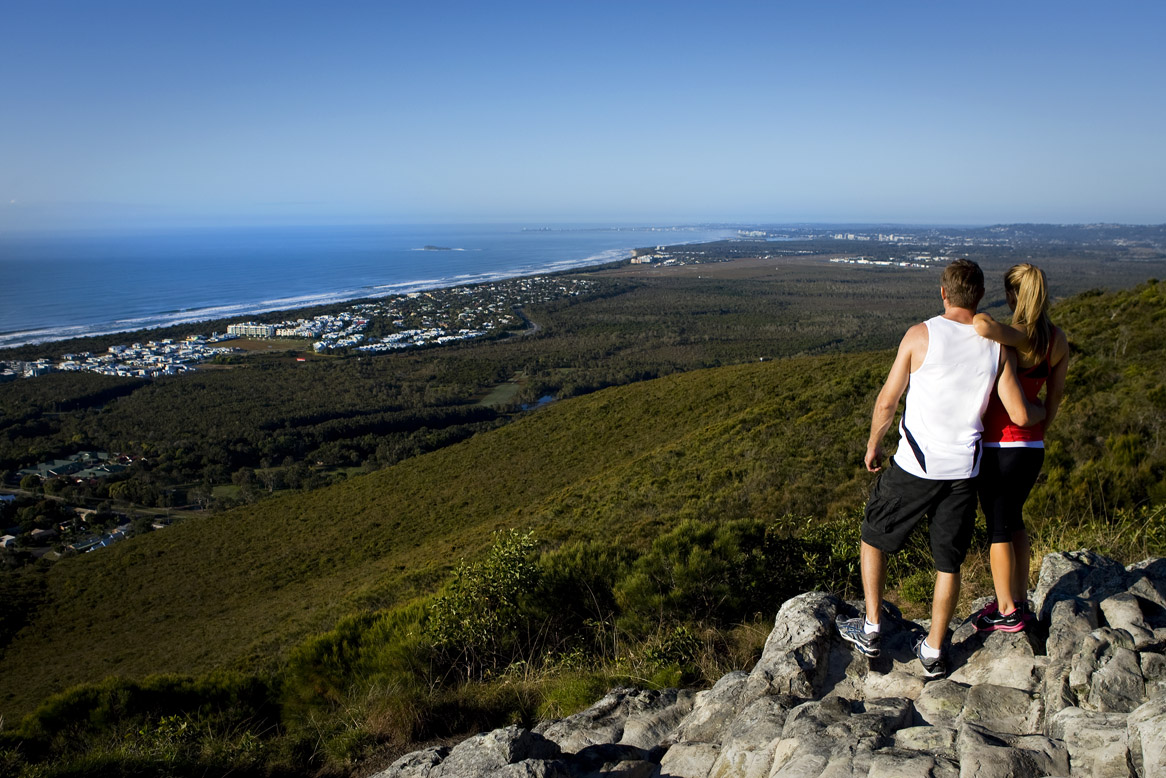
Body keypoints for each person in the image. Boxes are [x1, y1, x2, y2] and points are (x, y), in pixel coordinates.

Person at [836, 259, 1044, 679]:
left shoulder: (920, 335)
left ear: (943, 293)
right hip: (964, 472)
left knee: (873, 536)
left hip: (916, 463)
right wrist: (1048, 408)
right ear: (980, 297)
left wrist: (874, 444)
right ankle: (933, 650)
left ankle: (872, 627)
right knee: (947, 562)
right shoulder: (998, 347)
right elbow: (1014, 406)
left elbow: (887, 400)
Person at [970, 264, 1069, 632]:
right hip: (1032, 447)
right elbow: (1054, 399)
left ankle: (1006, 609)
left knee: (997, 526)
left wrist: (990, 320)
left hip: (1000, 446)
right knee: (1015, 521)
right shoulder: (1058, 340)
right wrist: (1040, 423)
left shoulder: (1014, 338)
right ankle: (1020, 600)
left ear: (1014, 295)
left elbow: (981, 326)